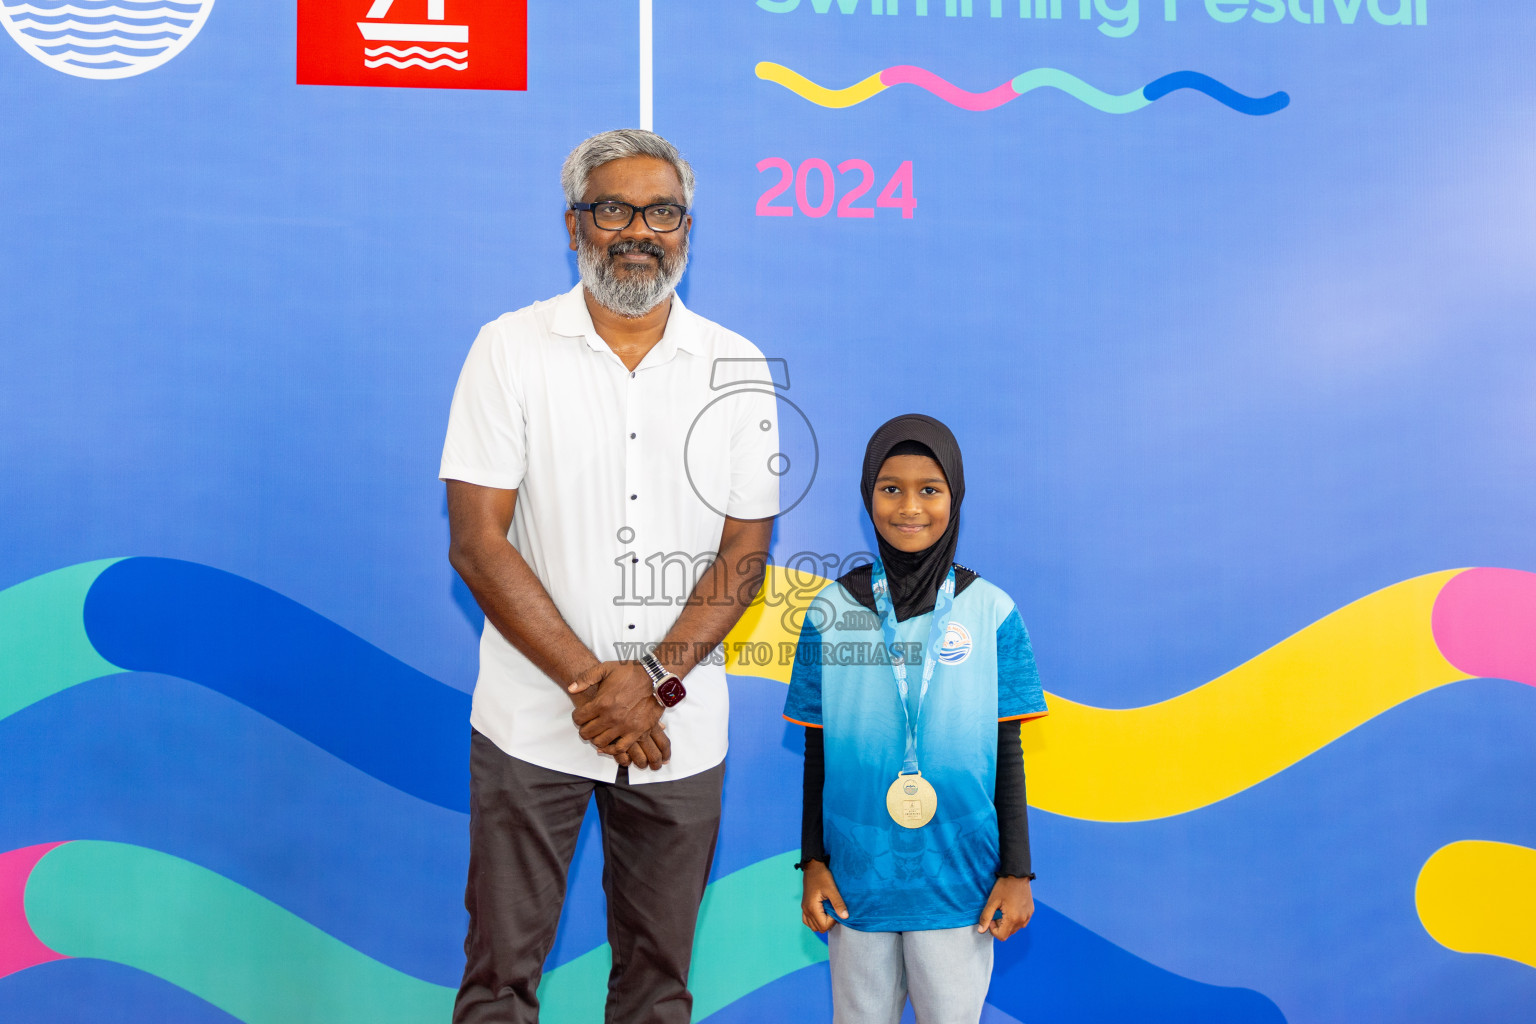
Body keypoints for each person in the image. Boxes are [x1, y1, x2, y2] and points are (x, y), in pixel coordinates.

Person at [440, 129, 780, 1024]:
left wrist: (654, 685)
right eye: (613, 210)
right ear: (574, 225)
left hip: (680, 728)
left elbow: (745, 550)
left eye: (660, 212)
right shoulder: (507, 349)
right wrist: (600, 687)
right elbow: (477, 542)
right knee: (500, 982)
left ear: (687, 230)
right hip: (530, 721)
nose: (638, 230)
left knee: (656, 987)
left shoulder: (736, 366)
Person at [782, 414, 1047, 1024]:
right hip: (857, 882)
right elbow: (818, 752)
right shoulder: (830, 609)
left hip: (960, 882)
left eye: (930, 489)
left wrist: (1017, 872)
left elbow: (1008, 751)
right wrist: (813, 862)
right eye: (890, 488)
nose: (910, 506)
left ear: (955, 495)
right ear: (867, 495)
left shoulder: (991, 611)